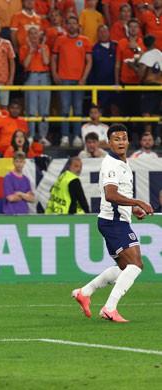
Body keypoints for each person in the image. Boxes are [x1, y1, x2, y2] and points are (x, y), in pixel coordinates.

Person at [71, 124, 154, 322]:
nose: (121, 142)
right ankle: (109, 308)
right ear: (109, 143)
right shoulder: (111, 164)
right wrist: (138, 201)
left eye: (124, 138)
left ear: (128, 141)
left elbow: (119, 195)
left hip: (116, 220)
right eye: (116, 139)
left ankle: (85, 292)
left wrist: (132, 209)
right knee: (136, 265)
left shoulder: (123, 163)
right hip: (114, 222)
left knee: (125, 268)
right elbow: (110, 195)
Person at [52, 16, 93, 148]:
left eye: (74, 23)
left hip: (79, 80)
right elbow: (54, 58)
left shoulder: (85, 41)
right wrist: (55, 74)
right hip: (64, 79)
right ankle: (64, 136)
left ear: (78, 25)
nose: (71, 26)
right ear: (66, 26)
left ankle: (76, 136)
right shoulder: (60, 40)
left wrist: (84, 78)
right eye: (69, 23)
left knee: (78, 110)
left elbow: (89, 61)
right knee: (64, 109)